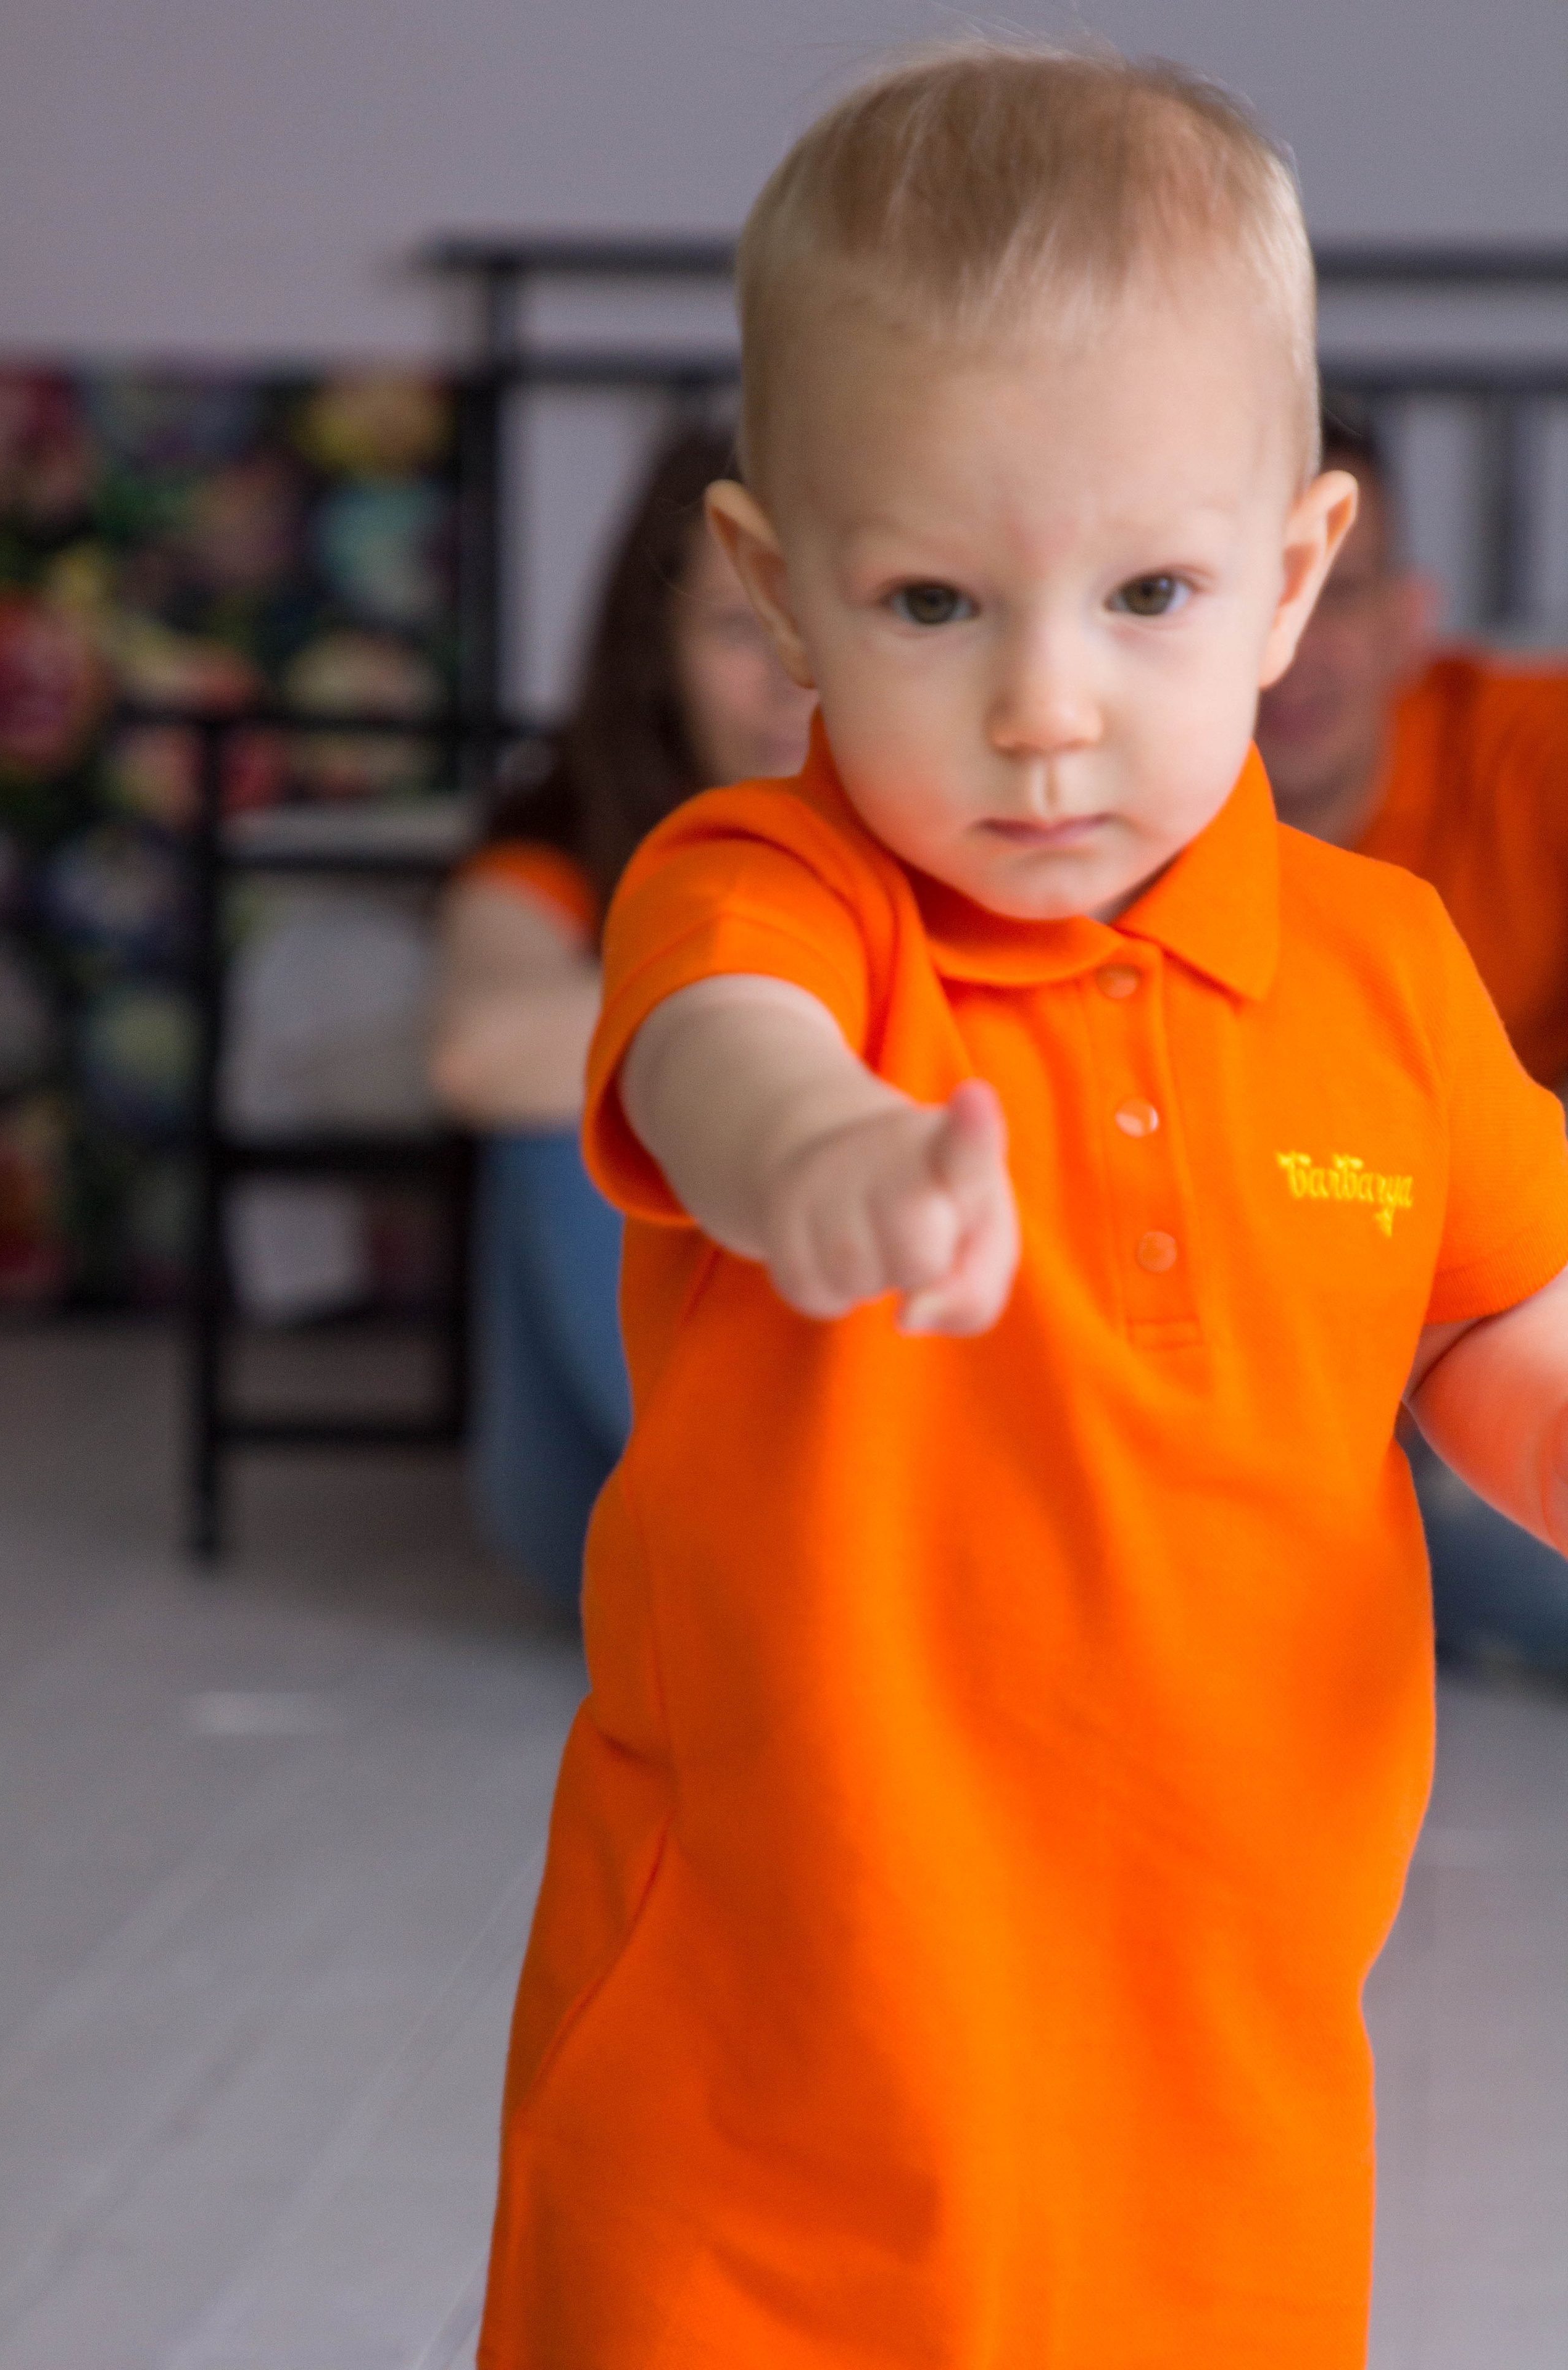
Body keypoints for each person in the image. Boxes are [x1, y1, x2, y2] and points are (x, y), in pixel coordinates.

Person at [478, 45, 1568, 2369]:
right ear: (779, 597)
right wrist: (834, 1158)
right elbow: (715, 1052)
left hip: (1224, 2035)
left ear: (1295, 584)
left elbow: (1503, 1326)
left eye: (1150, 591)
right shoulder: (771, 885)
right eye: (938, 605)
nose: (1047, 710)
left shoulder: (1381, 971)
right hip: (773, 2029)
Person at [431, 424, 813, 1603]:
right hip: (607, 1483)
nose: (794, 679)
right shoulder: (562, 831)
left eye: (832, 622)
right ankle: (780, 1561)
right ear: (659, 655)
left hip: (876, 1425)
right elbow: (480, 1049)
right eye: (738, 628)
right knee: (571, 1097)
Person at [1258, 410, 1568, 1669]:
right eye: (1257, 592)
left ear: (1409, 618)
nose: (1297, 650)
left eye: (1343, 591)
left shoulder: (1522, 749)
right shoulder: (1073, 831)